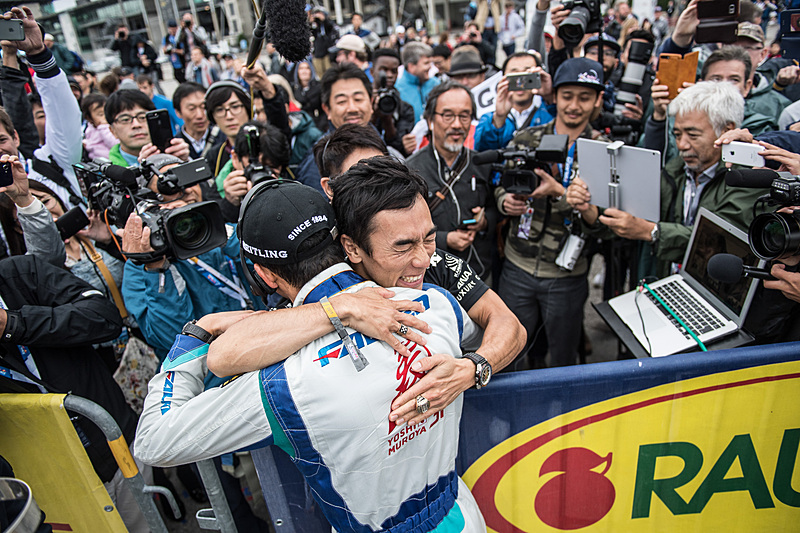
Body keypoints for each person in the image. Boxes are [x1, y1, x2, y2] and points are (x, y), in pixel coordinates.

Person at [134, 170, 487, 532]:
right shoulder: (434, 303)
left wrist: (196, 335)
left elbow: (153, 441)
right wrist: (475, 367)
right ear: (343, 243)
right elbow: (482, 335)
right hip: (461, 515)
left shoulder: (281, 381)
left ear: (266, 276)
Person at [210, 125, 524, 426]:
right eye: (402, 248)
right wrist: (343, 309)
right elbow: (225, 356)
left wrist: (472, 369)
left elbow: (509, 325)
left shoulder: (438, 261)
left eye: (429, 238)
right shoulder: (322, 280)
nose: (422, 260)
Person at [567, 81, 768, 279]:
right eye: (677, 134)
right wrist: (589, 210)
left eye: (693, 134)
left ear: (726, 131)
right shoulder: (674, 171)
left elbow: (720, 241)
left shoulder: (748, 178)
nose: (682, 145)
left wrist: (653, 232)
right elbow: (630, 217)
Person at [498, 57, 608, 368]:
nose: (574, 105)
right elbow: (500, 185)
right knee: (509, 356)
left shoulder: (604, 150)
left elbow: (605, 224)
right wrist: (505, 202)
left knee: (563, 359)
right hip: (517, 266)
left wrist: (561, 194)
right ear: (554, 96)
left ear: (597, 100)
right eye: (567, 96)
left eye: (584, 97)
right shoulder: (528, 138)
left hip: (567, 275)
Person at [407, 82, 496, 281]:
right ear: (430, 120)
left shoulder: (481, 163)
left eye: (464, 116)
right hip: (430, 276)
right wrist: (444, 239)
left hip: (478, 271)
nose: (456, 124)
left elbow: (495, 207)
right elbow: (402, 227)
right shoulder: (410, 169)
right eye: (448, 116)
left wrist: (484, 221)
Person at [0, 7, 83, 210]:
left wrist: (38, 54)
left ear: (15, 138)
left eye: (1, 140)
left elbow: (63, 113)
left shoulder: (50, 162)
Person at [294, 63, 402, 195]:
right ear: (327, 109)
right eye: (342, 102)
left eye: (358, 99)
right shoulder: (318, 160)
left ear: (371, 103)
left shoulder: (378, 142)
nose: (352, 108)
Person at [475, 51, 555, 151]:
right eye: (514, 76)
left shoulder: (548, 115)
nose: (520, 83)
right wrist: (499, 118)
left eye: (527, 76)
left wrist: (549, 97)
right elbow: (481, 151)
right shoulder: (488, 119)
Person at [104, 89, 190, 166]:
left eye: (142, 117)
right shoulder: (107, 172)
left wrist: (185, 163)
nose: (136, 125)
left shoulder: (174, 152)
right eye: (125, 119)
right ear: (113, 131)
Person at [370, 48, 415, 156]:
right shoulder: (361, 103)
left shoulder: (404, 108)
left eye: (393, 71)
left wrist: (387, 118)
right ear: (372, 71)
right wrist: (373, 116)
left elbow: (399, 146)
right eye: (384, 70)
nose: (389, 75)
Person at [395, 41, 440, 122]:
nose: (430, 67)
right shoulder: (398, 90)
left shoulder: (436, 85)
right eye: (426, 63)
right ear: (411, 66)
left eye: (431, 62)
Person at [81, 93, 116, 160]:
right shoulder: (90, 128)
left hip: (110, 160)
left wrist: (103, 128)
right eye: (100, 114)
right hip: (96, 161)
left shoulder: (107, 128)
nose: (105, 117)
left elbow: (113, 144)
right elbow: (92, 142)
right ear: (89, 118)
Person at [309, 7, 338, 77]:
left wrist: (324, 20)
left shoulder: (328, 24)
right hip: (317, 54)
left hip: (327, 55)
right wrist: (310, 22)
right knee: (320, 76)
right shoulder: (315, 26)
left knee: (329, 74)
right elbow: (310, 33)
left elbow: (331, 29)